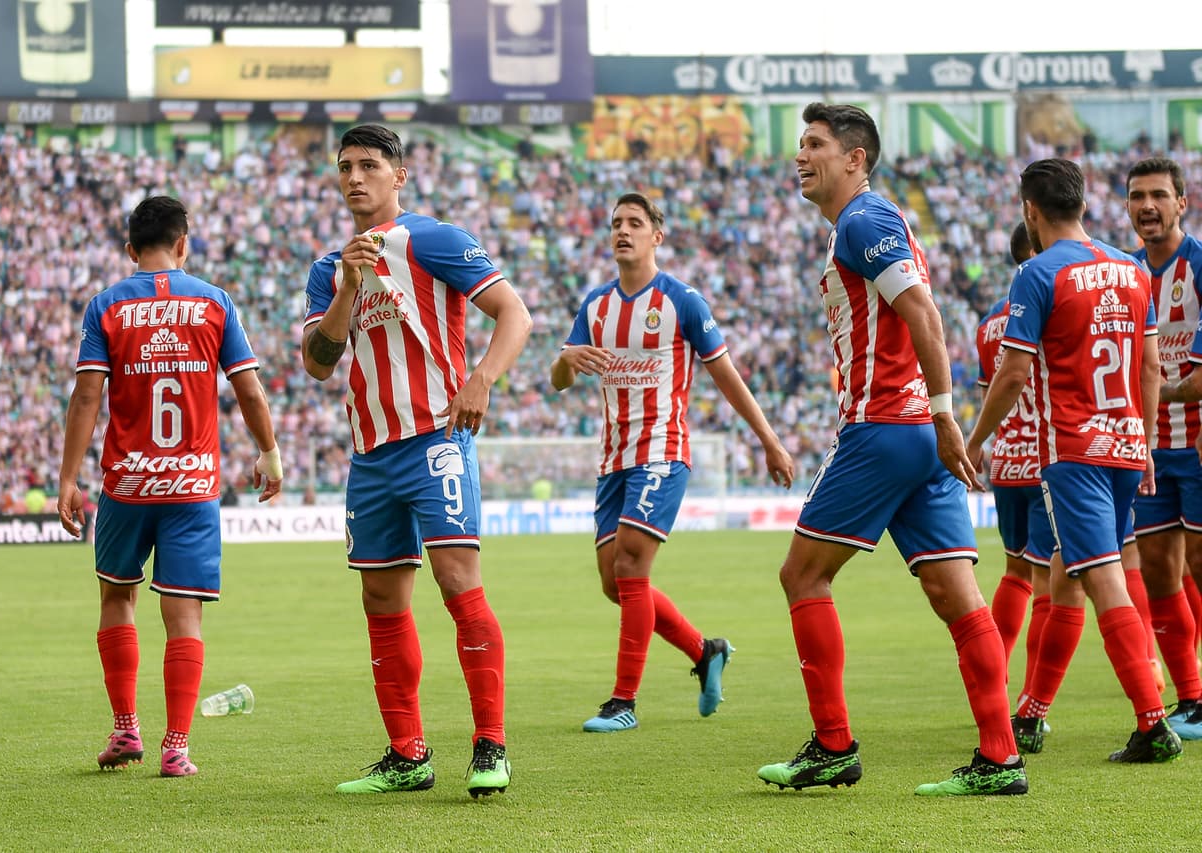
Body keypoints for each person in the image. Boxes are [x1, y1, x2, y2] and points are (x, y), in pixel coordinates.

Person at [758, 103, 1025, 797]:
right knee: (955, 593)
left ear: (856, 159)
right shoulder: (874, 223)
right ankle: (1000, 757)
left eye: (815, 144)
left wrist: (945, 417)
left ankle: (833, 744)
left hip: (884, 428)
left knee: (802, 575)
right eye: (800, 143)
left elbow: (925, 315)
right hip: (916, 437)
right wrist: (937, 424)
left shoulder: (863, 220)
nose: (801, 155)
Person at [301, 125, 532, 797]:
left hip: (436, 438)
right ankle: (408, 754)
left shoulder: (432, 239)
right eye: (344, 166)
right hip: (370, 454)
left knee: (458, 582)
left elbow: (513, 313)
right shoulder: (328, 268)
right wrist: (347, 285)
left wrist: (483, 376)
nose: (354, 177)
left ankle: (491, 744)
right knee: (380, 596)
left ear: (398, 175)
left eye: (369, 164)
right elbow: (318, 364)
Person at [550, 192, 796, 734]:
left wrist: (769, 439)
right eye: (616, 223)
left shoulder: (683, 301)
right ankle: (706, 651)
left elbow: (726, 375)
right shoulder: (595, 306)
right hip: (613, 459)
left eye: (635, 223)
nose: (623, 231)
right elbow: (559, 380)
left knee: (632, 566)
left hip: (663, 451)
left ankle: (623, 702)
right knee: (614, 584)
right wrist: (566, 360)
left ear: (656, 236)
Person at [57, 195, 284, 779]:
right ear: (184, 243)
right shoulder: (214, 302)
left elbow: (87, 397)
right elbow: (250, 392)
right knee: (183, 615)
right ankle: (175, 746)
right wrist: (269, 453)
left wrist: (67, 478)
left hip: (127, 486)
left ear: (130, 249)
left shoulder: (105, 307)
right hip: (192, 486)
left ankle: (124, 729)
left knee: (117, 598)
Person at [967, 157, 1182, 764]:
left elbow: (1010, 377)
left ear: (1030, 212)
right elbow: (1148, 368)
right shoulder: (1131, 268)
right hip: (1122, 447)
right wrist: (1140, 444)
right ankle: (1035, 708)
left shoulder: (1036, 273)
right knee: (1071, 575)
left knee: (1099, 579)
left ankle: (1150, 723)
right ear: (1083, 204)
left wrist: (976, 438)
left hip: (1074, 453)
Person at [1128, 156, 1202, 739]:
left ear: (1183, 202)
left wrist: (1148, 393)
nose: (1147, 206)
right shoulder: (1124, 275)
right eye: (1137, 197)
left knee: (1199, 564)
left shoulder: (1199, 267)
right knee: (1158, 571)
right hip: (1148, 450)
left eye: (1158, 195)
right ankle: (1191, 699)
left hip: (1199, 445)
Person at [978, 223, 1054, 677]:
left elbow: (994, 391)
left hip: (1006, 459)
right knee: (1049, 582)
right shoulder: (1053, 303)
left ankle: (995, 676)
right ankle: (1031, 704)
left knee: (1015, 574)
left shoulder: (989, 324)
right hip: (1048, 458)